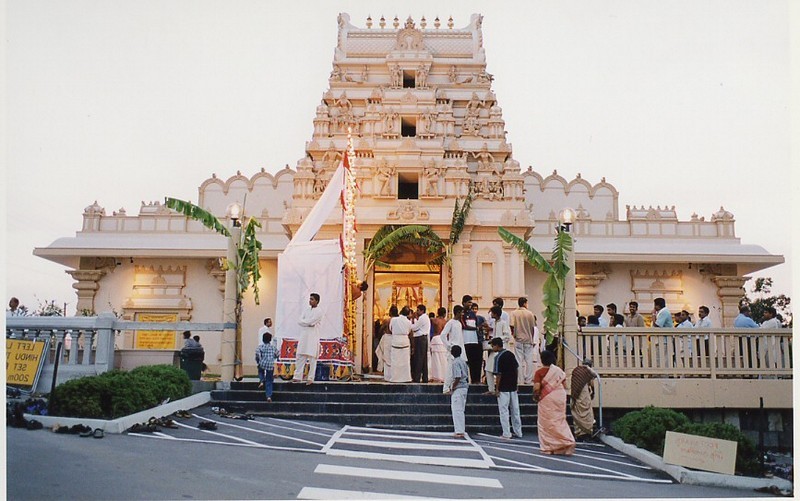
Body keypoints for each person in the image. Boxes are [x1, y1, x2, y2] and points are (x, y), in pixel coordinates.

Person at [533, 350, 576, 455]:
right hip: (560, 395)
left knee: (546, 423)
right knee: (559, 420)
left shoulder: (539, 372)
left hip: (547, 397)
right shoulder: (559, 371)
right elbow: (565, 385)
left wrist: (535, 396)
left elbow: (536, 388)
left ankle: (548, 447)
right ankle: (565, 443)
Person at [490, 337, 522, 440]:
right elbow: (516, 369)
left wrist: (497, 388)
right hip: (512, 386)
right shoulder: (511, 355)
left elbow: (498, 375)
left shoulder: (498, 357)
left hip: (503, 387)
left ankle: (506, 433)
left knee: (504, 411)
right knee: (515, 410)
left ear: (497, 345)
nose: (492, 347)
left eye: (493, 345)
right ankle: (518, 431)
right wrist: (516, 383)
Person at [292, 293, 323, 385]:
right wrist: (307, 323)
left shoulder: (319, 311)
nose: (310, 301)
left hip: (313, 337)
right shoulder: (306, 310)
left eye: (312, 299)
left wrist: (306, 322)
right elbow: (299, 321)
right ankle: (297, 377)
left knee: (312, 358)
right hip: (304, 336)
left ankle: (310, 378)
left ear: (317, 301)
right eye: (310, 299)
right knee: (300, 356)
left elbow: (312, 321)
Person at [485, 306, 513, 395]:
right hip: (494, 349)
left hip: (501, 350)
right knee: (488, 369)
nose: (491, 315)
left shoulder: (503, 323)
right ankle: (491, 389)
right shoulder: (494, 323)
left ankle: (499, 389)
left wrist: (497, 340)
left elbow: (507, 336)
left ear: (496, 314)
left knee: (499, 370)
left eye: (492, 313)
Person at [509, 297, 536, 385]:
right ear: (525, 303)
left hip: (518, 339)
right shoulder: (530, 314)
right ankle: (528, 380)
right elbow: (533, 327)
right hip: (528, 339)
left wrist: (514, 335)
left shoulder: (514, 313)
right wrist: (531, 338)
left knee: (518, 360)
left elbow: (512, 325)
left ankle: (520, 380)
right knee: (529, 360)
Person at [570, 358, 597, 441]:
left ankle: (578, 432)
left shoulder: (576, 370)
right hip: (584, 394)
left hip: (575, 394)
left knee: (577, 412)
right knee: (586, 413)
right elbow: (594, 376)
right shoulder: (588, 371)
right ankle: (586, 432)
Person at [441, 305, 466, 394]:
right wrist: (449, 346)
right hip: (453, 349)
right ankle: (446, 388)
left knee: (457, 370)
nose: (462, 314)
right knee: (450, 370)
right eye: (461, 312)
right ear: (458, 312)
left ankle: (454, 386)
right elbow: (443, 335)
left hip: (459, 349)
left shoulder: (459, 323)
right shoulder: (450, 323)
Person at [460, 295, 482, 384]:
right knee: (466, 361)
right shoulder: (461, 313)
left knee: (475, 361)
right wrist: (475, 328)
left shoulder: (473, 314)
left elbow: (476, 324)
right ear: (463, 303)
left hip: (474, 340)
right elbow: (464, 326)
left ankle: (475, 379)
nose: (470, 304)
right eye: (468, 302)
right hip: (465, 340)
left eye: (471, 302)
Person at [449, 345, 469, 439]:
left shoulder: (455, 363)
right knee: (461, 409)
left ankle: (459, 430)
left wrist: (453, 387)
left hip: (459, 387)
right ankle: (461, 429)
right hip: (464, 387)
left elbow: (458, 376)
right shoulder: (463, 362)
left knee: (457, 410)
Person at [388, 306, 413, 383]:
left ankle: (395, 377)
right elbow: (409, 331)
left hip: (396, 340)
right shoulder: (408, 322)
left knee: (395, 361)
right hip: (404, 340)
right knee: (405, 361)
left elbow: (390, 329)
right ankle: (405, 377)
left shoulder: (394, 320)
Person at [255, 332, 277, 401]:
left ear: (263, 339)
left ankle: (261, 381)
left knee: (260, 370)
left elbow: (257, 355)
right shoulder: (273, 347)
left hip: (263, 363)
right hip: (270, 365)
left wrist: (258, 361)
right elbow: (277, 354)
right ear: (270, 340)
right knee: (269, 381)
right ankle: (268, 396)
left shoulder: (260, 347)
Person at [411, 304, 430, 383]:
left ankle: (417, 377)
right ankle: (424, 377)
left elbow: (414, 328)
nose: (416, 312)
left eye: (418, 310)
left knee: (419, 358)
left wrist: (413, 321)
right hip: (423, 339)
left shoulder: (422, 318)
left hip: (420, 338)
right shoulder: (425, 317)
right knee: (423, 359)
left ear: (422, 311)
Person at [429, 307, 449, 383]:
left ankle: (436, 376)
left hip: (436, 338)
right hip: (442, 340)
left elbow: (430, 319)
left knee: (435, 359)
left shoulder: (434, 320)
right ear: (444, 314)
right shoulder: (446, 322)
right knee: (443, 359)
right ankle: (444, 375)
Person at [379, 306, 398, 381]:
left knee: (386, 356)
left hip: (387, 338)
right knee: (393, 356)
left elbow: (381, 329)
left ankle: (387, 375)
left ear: (390, 312)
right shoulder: (398, 321)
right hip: (394, 338)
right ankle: (394, 374)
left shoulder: (387, 320)